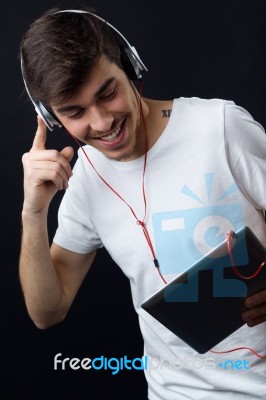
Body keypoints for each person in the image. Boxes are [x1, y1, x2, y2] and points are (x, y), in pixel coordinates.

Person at [19, 6, 266, 400]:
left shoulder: (219, 126)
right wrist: (33, 213)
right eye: (75, 112)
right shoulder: (84, 178)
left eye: (107, 93)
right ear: (50, 117)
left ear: (130, 65)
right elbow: (47, 312)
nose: (101, 123)